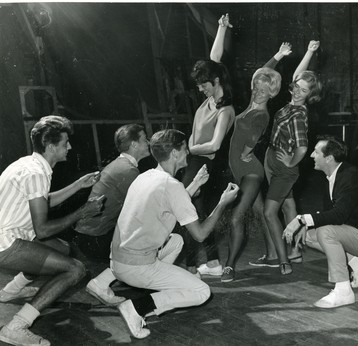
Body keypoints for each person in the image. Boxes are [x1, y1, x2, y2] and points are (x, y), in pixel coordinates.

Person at [111, 129, 239, 339]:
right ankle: (137, 307)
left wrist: (196, 183)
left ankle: (154, 292)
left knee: (177, 241)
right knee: (202, 292)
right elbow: (200, 235)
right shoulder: (172, 186)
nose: (187, 152)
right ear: (175, 154)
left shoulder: (147, 176)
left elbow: (168, 201)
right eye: (184, 149)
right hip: (137, 267)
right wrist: (223, 203)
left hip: (118, 261)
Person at [0, 115, 104, 346]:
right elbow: (43, 229)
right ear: (50, 146)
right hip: (6, 244)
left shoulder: (28, 164)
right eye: (65, 143)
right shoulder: (38, 173)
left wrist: (78, 185)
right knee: (75, 270)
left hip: (10, 235)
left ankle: (10, 291)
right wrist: (82, 212)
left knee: (62, 248)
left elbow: (42, 201)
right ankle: (15, 327)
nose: (69, 147)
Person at [210, 14, 292, 282]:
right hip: (240, 169)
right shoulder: (251, 104)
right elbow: (263, 74)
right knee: (261, 213)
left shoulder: (260, 114)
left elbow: (256, 134)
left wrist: (248, 149)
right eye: (256, 87)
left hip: (250, 172)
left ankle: (230, 266)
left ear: (272, 93)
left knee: (236, 219)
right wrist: (277, 57)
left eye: (263, 89)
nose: (257, 91)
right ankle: (281, 260)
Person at [283, 136, 358, 308]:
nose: (311, 155)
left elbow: (338, 215)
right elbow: (329, 213)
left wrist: (302, 219)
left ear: (329, 158)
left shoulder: (351, 176)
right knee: (309, 235)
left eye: (316, 152)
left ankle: (343, 290)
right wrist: (307, 225)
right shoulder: (331, 176)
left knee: (326, 232)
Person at [258, 40, 322, 275]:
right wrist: (309, 52)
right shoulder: (292, 102)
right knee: (288, 204)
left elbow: (303, 148)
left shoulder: (298, 113)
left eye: (303, 90)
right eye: (296, 86)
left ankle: (284, 260)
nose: (297, 90)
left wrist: (291, 162)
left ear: (309, 96)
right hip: (272, 156)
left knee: (269, 211)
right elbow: (298, 75)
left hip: (284, 166)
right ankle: (294, 251)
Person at [181, 15, 236, 278]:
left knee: (190, 213)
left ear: (216, 82)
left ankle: (193, 267)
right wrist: (222, 28)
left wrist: (190, 148)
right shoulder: (209, 101)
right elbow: (215, 57)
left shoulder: (225, 110)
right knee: (196, 213)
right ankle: (210, 263)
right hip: (195, 161)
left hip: (206, 165)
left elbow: (213, 146)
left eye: (204, 84)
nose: (200, 88)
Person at [74, 124, 150, 306]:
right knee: (145, 241)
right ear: (134, 145)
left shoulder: (122, 165)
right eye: (144, 139)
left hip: (88, 236)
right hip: (93, 239)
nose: (148, 142)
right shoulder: (127, 170)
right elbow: (145, 208)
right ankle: (100, 284)